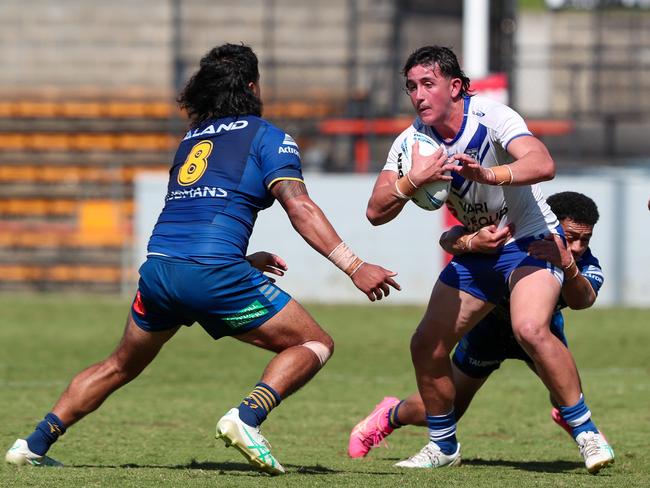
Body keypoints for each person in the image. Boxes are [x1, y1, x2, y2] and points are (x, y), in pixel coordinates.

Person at [4, 43, 400, 476]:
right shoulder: (267, 136)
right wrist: (355, 266)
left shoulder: (191, 140)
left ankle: (32, 443)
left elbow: (194, 217)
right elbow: (299, 206)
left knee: (119, 364)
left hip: (160, 272)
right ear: (252, 86)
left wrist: (240, 261)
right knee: (314, 342)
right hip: (211, 273)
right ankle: (247, 417)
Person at [364, 45, 613, 474]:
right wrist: (411, 182)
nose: (418, 95)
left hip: (530, 241)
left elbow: (542, 162)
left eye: (428, 84)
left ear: (455, 86)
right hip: (481, 251)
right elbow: (375, 211)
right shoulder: (411, 143)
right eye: (411, 87)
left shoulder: (492, 116)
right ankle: (442, 445)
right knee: (426, 343)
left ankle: (588, 433)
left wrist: (490, 174)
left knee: (530, 327)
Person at [350, 191, 614, 472]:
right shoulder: (513, 236)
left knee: (568, 392)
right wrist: (465, 241)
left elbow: (582, 300)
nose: (577, 246)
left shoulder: (585, 263)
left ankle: (581, 427)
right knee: (446, 409)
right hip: (487, 334)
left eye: (585, 240)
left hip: (540, 334)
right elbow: (449, 238)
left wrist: (568, 265)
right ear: (548, 223)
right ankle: (389, 415)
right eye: (571, 236)